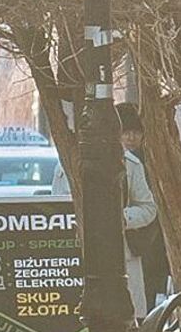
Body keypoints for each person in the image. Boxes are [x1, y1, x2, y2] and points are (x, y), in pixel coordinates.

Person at [53, 113, 158, 320]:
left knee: (130, 320)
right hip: (79, 257)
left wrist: (121, 218)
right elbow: (58, 209)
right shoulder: (68, 166)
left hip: (123, 255)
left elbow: (148, 208)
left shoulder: (131, 164)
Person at [117, 103, 170, 312]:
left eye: (136, 132)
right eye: (126, 132)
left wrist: (123, 218)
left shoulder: (145, 160)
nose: (131, 137)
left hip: (146, 239)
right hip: (135, 240)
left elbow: (149, 206)